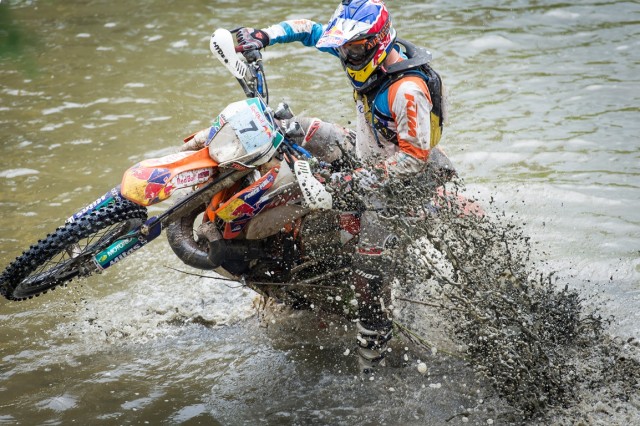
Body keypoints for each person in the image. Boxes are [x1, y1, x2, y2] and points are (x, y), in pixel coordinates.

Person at [235, 0, 447, 374]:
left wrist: (345, 181)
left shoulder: (407, 90)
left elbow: (414, 158)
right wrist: (262, 36)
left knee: (368, 272)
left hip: (407, 184)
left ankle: (371, 359)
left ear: (377, 41)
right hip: (369, 153)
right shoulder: (361, 52)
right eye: (343, 47)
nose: (345, 54)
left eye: (353, 47)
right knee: (297, 126)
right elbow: (309, 29)